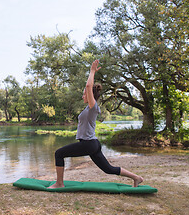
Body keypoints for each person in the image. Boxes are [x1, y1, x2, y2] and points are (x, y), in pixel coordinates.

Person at [48, 59, 144, 189]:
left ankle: (59, 183)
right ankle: (136, 178)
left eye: (84, 94)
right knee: (108, 169)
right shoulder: (88, 109)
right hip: (92, 143)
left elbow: (88, 87)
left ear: (90, 96)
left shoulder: (93, 107)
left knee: (59, 153)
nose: (83, 96)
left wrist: (92, 71)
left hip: (88, 143)